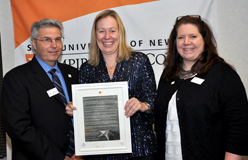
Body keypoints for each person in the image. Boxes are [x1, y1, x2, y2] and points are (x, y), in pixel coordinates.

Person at [154, 15, 248, 160]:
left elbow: (239, 126)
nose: (186, 42)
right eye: (180, 37)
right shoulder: (168, 75)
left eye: (193, 36)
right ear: (174, 42)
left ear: (204, 40)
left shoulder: (222, 74)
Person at [66, 9, 157, 160]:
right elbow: (86, 114)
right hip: (101, 152)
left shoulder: (139, 61)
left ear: (120, 33)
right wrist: (75, 109)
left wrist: (143, 105)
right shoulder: (86, 69)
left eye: (112, 30)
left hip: (140, 149)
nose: (107, 37)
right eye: (101, 31)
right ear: (95, 35)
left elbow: (154, 101)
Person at [1, 18, 81, 160]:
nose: (54, 45)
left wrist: (82, 152)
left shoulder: (74, 74)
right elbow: (19, 128)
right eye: (46, 40)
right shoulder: (16, 78)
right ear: (34, 43)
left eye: (57, 39)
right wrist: (59, 158)